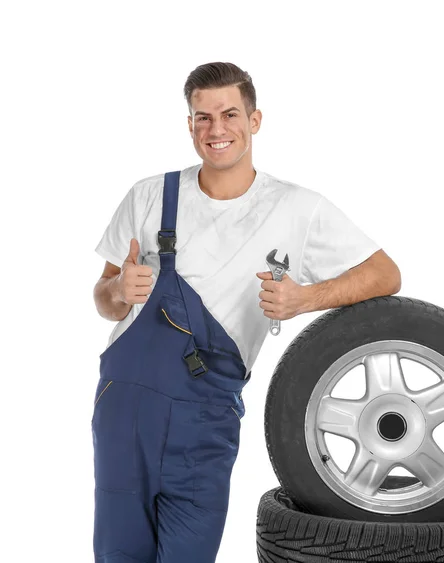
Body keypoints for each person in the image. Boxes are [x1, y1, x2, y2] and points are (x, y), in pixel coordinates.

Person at [92, 61, 401, 563]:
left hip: (205, 414)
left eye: (230, 114)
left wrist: (305, 299)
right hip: (124, 407)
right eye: (202, 118)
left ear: (255, 121)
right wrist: (120, 292)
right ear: (189, 124)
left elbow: (385, 274)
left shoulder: (297, 208)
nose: (216, 130)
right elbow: (103, 299)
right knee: (118, 554)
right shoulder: (149, 195)